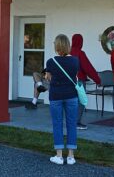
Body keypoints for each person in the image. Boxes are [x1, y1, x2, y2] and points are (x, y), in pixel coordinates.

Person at [45, 34, 80, 165]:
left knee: (57, 124)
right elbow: (74, 75)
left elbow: (48, 78)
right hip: (71, 95)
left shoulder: (51, 61)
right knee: (71, 124)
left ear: (57, 46)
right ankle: (71, 156)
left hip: (56, 96)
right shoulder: (75, 61)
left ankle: (59, 155)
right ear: (67, 45)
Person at [70, 33, 101, 129]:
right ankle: (76, 123)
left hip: (68, 81)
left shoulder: (67, 52)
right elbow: (88, 68)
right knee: (81, 101)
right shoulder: (80, 53)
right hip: (79, 81)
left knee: (70, 102)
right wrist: (97, 80)